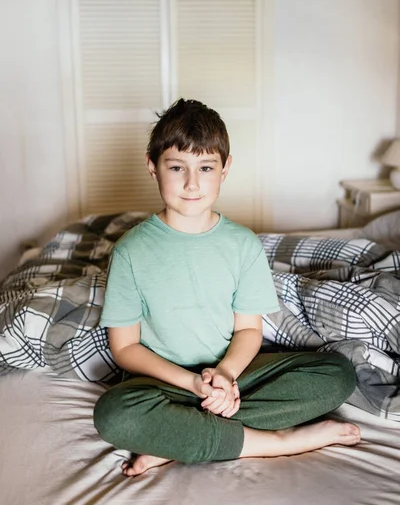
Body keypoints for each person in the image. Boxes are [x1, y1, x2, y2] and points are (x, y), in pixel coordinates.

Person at [94, 98, 360, 477]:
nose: (192, 183)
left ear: (225, 169)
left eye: (205, 167)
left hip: (234, 377)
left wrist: (224, 376)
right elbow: (124, 347)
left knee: (337, 375)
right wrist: (190, 382)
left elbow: (249, 330)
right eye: (176, 167)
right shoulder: (131, 251)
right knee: (113, 415)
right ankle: (276, 442)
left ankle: (177, 439)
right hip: (163, 383)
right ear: (152, 167)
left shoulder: (242, 244)